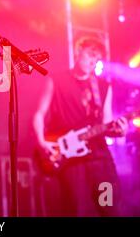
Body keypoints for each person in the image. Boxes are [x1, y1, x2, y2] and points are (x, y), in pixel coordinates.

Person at [32, 36, 128, 216]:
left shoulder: (103, 86)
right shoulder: (56, 80)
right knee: (76, 211)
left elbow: (106, 124)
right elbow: (39, 114)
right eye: (91, 55)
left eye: (97, 58)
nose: (93, 61)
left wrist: (120, 132)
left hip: (100, 161)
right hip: (72, 161)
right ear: (78, 51)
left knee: (109, 209)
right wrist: (41, 141)